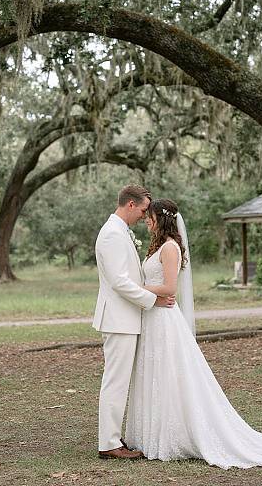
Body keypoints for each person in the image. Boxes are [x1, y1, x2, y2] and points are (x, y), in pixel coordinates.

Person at [125, 198, 262, 469]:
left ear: (161, 219)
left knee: (168, 374)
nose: (146, 221)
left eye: (149, 217)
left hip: (164, 320)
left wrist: (133, 288)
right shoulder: (157, 247)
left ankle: (175, 434)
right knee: (154, 374)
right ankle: (150, 433)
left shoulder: (171, 248)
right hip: (152, 317)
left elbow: (170, 287)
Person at [93, 185, 175, 460]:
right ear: (130, 204)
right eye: (142, 210)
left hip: (126, 317)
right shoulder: (112, 235)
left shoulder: (120, 232)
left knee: (120, 380)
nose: (144, 215)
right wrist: (152, 300)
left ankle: (113, 438)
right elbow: (120, 282)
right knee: (115, 381)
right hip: (118, 318)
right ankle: (109, 444)